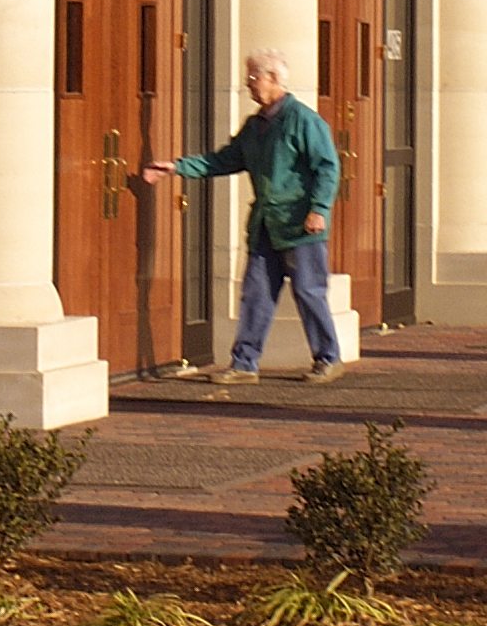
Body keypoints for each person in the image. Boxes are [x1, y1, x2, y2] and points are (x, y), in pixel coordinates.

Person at [146, 50, 345, 382]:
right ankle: (244, 364)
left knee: (309, 292)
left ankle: (328, 358)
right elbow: (224, 160)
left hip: (300, 225)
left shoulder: (304, 121)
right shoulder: (255, 126)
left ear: (274, 79)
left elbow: (328, 168)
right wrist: (177, 167)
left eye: (253, 78)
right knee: (256, 294)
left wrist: (318, 209)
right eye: (248, 78)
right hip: (265, 225)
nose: (248, 85)